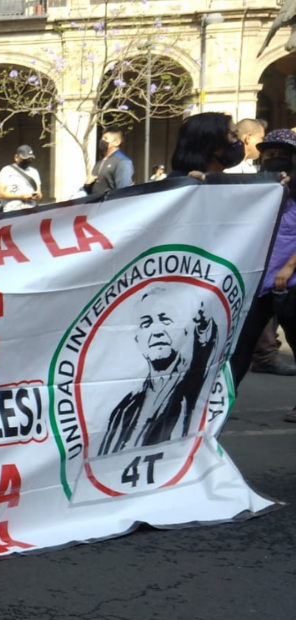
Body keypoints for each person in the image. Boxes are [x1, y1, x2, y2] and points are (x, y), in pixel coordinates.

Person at [98, 285, 219, 455]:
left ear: (185, 330)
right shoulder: (124, 407)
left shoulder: (190, 383)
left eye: (166, 320)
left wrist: (204, 324)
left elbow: (204, 347)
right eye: (146, 323)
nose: (157, 332)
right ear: (137, 338)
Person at [228, 127, 296, 390]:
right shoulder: (258, 188)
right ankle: (219, 403)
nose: (274, 157)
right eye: (269, 153)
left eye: (282, 153)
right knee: (242, 344)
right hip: (260, 281)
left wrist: (288, 268)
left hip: (289, 282)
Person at [85, 127, 133, 196]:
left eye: (105, 138)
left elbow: (123, 192)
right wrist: (87, 185)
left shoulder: (122, 162)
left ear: (117, 142)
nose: (102, 141)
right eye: (102, 138)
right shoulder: (99, 163)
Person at [0, 144, 42, 212]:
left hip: (30, 209)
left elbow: (39, 194)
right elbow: (0, 193)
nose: (27, 161)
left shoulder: (34, 172)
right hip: (12, 210)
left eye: (29, 159)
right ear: (16, 157)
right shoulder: (6, 170)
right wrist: (20, 196)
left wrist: (35, 196)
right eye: (25, 159)